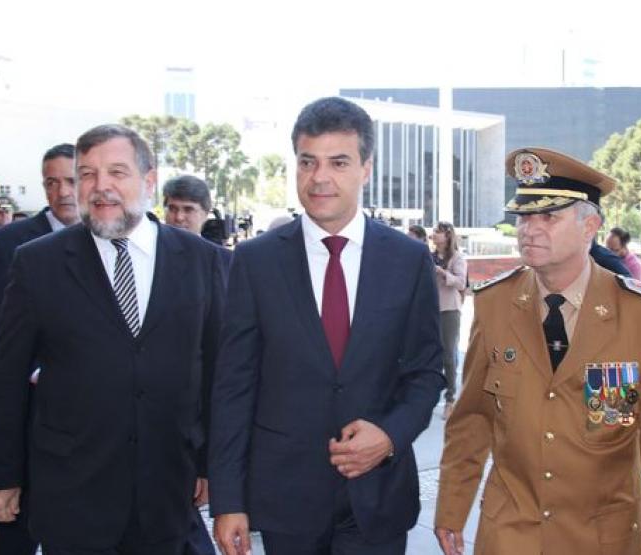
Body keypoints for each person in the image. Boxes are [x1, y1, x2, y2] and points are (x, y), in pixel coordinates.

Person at [209, 97, 445, 555]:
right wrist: (229, 499)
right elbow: (233, 387)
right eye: (307, 162)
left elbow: (426, 374)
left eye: (338, 162)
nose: (320, 177)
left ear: (366, 168)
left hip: (377, 500)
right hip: (286, 502)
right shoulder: (256, 262)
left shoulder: (407, 259)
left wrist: (391, 435)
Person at [0, 124, 226, 555]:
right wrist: (1, 475)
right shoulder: (39, 263)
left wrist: (210, 464)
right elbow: (6, 376)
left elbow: (217, 372)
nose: (100, 187)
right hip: (72, 492)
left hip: (168, 488)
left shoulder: (207, 263)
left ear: (148, 181)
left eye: (116, 172)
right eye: (88, 174)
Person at [435, 147, 641, 555]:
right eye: (523, 215)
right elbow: (472, 419)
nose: (528, 229)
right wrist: (451, 507)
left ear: (589, 226)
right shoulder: (494, 304)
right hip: (510, 534)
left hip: (602, 538)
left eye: (548, 216)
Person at [0, 143, 80, 555]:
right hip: (32, 418)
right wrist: (32, 370)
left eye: (70, 180)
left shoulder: (116, 237)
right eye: (51, 182)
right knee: (20, 525)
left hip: (97, 429)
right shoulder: (11, 242)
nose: (62, 191)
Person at [160, 174, 222, 555]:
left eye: (188, 210)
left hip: (197, 420)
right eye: (172, 208)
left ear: (204, 214)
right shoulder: (142, 261)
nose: (179, 217)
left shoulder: (223, 264)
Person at [431, 221, 467, 420]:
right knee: (430, 354)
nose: (434, 235)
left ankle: (450, 399)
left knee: (448, 355)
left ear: (448, 235)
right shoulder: (429, 256)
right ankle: (429, 396)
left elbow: (461, 282)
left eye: (438, 232)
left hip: (449, 310)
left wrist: (443, 272)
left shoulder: (457, 257)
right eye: (434, 231)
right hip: (430, 310)